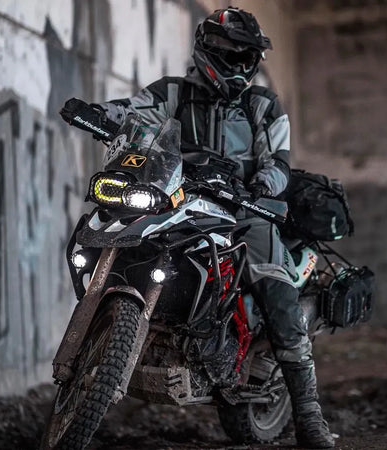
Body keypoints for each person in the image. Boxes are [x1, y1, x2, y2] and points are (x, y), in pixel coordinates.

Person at [63, 7, 335, 449]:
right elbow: (133, 112)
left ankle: (309, 416)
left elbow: (278, 164)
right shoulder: (174, 92)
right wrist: (97, 114)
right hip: (180, 197)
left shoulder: (262, 105)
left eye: (248, 57)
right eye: (234, 54)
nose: (241, 65)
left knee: (276, 288)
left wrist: (258, 186)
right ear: (209, 49)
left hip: (243, 209)